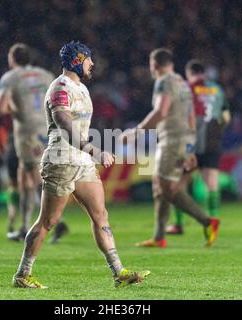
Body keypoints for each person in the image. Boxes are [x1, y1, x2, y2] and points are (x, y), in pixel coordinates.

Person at [12, 41, 149, 288]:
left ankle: (119, 272)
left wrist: (88, 152)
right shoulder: (59, 87)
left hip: (81, 161)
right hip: (61, 160)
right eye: (88, 59)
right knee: (48, 221)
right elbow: (63, 120)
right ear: (76, 60)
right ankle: (22, 274)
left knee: (101, 215)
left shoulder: (82, 89)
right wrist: (93, 149)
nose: (92, 63)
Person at [120, 48, 220, 248]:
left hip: (172, 140)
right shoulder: (183, 84)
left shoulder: (164, 82)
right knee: (160, 186)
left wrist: (137, 131)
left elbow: (161, 111)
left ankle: (208, 222)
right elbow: (191, 117)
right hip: (182, 139)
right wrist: (190, 147)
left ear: (154, 65)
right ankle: (159, 236)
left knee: (168, 187)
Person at [0, 43, 69, 243]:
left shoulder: (10, 78)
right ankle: (25, 226)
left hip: (27, 131)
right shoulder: (46, 75)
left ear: (12, 59)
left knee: (34, 176)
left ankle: (58, 220)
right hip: (49, 127)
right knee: (24, 177)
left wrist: (15, 110)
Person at [167, 59, 230, 235]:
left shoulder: (186, 88)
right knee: (212, 182)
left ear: (189, 73)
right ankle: (214, 220)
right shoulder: (217, 89)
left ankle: (178, 224)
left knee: (178, 185)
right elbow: (226, 116)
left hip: (190, 141)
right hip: (212, 140)